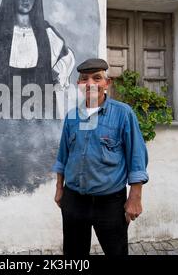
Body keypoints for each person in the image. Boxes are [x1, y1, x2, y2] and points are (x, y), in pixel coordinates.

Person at [52, 58, 149, 256]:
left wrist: (135, 198)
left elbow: (136, 157)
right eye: (84, 79)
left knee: (115, 252)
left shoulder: (123, 114)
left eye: (97, 78)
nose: (90, 84)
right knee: (73, 254)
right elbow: (63, 156)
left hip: (110, 203)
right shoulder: (72, 116)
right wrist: (59, 189)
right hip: (74, 200)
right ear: (79, 85)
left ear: (107, 83)